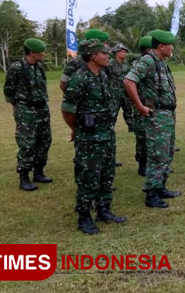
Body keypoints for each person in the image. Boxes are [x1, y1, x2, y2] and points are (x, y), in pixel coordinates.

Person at [62, 39, 126, 234]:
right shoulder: (79, 79)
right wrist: (77, 129)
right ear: (92, 56)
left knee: (107, 175)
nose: (108, 56)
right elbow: (67, 110)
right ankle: (84, 217)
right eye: (104, 53)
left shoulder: (103, 75)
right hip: (89, 138)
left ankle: (104, 210)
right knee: (88, 177)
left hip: (106, 135)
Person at [124, 30, 181, 207]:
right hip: (156, 115)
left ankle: (160, 186)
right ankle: (151, 194)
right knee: (157, 154)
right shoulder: (148, 60)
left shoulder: (161, 62)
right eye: (170, 45)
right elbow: (129, 81)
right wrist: (140, 106)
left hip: (167, 114)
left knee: (166, 152)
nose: (172, 48)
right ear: (161, 46)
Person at [4, 38, 53, 191]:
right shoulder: (17, 68)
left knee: (45, 140)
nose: (44, 54)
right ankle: (24, 176)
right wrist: (18, 108)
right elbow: (9, 90)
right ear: (32, 52)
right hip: (26, 109)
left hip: (42, 108)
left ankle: (38, 172)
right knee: (27, 143)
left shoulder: (40, 67)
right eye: (41, 52)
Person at [133, 36, 152, 177]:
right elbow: (129, 82)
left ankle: (152, 164)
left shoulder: (156, 62)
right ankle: (142, 164)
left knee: (152, 136)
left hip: (152, 106)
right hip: (142, 105)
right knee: (142, 136)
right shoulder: (140, 63)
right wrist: (139, 104)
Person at [107, 43, 134, 131]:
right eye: (122, 52)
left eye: (125, 52)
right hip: (115, 93)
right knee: (113, 111)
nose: (124, 54)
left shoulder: (126, 64)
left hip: (126, 92)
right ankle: (110, 127)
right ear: (117, 53)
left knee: (128, 110)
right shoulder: (110, 64)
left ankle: (132, 127)